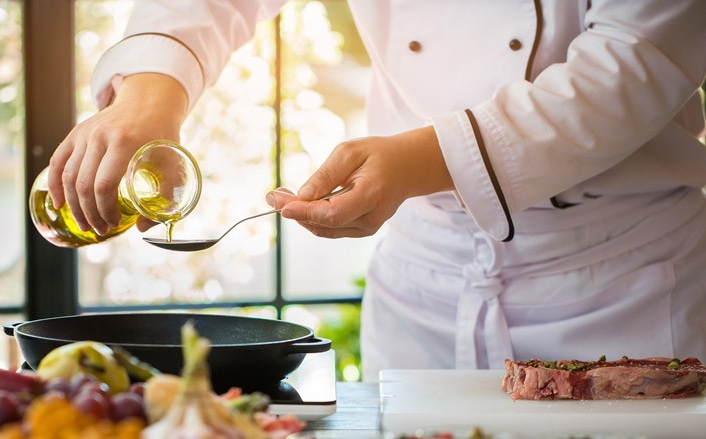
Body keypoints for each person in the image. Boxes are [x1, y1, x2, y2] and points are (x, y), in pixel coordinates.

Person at [47, 1, 706, 379]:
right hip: (421, 285)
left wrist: (426, 159)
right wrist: (151, 90)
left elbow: (635, 58)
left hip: (620, 289)